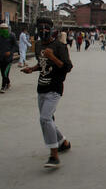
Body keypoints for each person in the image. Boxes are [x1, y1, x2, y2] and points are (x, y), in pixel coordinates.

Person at [20, 17, 73, 168]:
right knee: (47, 119)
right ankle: (63, 142)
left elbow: (67, 67)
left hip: (55, 87)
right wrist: (32, 69)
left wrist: (53, 57)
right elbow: (41, 63)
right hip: (41, 88)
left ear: (51, 29)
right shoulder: (37, 45)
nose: (43, 31)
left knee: (44, 119)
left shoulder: (59, 46)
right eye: (40, 28)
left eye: (46, 28)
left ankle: (54, 155)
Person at [0, 23, 18, 93]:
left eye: (4, 28)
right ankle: (8, 82)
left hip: (8, 59)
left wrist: (10, 52)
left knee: (5, 73)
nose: (3, 30)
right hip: (1, 58)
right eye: (1, 29)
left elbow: (16, 46)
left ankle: (3, 86)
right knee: (2, 73)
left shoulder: (11, 36)